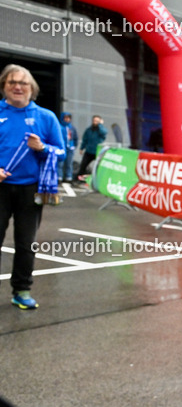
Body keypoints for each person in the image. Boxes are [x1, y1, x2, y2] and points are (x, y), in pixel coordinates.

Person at [0, 64, 66, 310]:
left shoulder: (46, 117)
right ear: (4, 87)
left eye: (23, 83)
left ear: (32, 89)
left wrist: (43, 148)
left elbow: (61, 152)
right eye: (11, 82)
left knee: (26, 244)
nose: (18, 87)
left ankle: (21, 290)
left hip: (31, 189)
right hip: (1, 188)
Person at [76, 114, 106, 181]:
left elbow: (104, 133)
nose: (95, 122)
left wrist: (100, 125)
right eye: (94, 121)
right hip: (89, 151)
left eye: (97, 121)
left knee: (98, 167)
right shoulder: (89, 130)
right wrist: (82, 148)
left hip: (97, 152)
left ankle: (97, 180)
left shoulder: (101, 130)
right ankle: (79, 179)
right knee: (83, 165)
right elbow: (85, 139)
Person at [59, 112, 78, 182]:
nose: (67, 119)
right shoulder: (60, 127)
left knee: (69, 164)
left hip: (70, 147)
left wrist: (74, 146)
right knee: (60, 163)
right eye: (65, 118)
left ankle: (68, 177)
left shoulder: (72, 128)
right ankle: (59, 177)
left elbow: (75, 137)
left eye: (68, 118)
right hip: (62, 147)